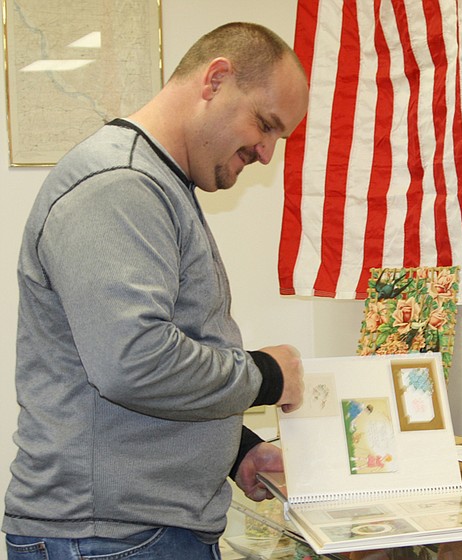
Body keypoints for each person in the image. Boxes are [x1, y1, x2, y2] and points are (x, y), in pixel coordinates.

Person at [4, 22, 309, 559]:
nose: (266, 153)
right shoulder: (119, 185)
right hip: (112, 538)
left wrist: (236, 450)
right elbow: (134, 361)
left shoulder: (155, 183)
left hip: (133, 532)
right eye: (265, 125)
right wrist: (265, 375)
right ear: (215, 80)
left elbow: (153, 357)